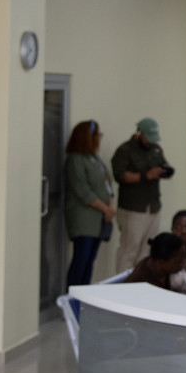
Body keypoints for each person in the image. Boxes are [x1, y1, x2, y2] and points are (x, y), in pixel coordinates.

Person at [110, 117, 173, 273]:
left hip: (153, 206)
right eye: (148, 138)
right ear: (139, 133)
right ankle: (123, 283)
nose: (151, 142)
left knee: (147, 250)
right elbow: (121, 175)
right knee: (129, 249)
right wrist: (146, 176)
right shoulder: (125, 150)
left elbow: (164, 164)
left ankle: (141, 281)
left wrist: (166, 172)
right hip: (134, 207)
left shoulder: (156, 149)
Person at [63, 119, 115, 287]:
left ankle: (85, 296)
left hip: (99, 219)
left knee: (90, 261)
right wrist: (106, 209)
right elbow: (83, 191)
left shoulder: (95, 159)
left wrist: (110, 206)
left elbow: (107, 183)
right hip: (84, 220)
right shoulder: (75, 160)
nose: (99, 139)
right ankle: (72, 296)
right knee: (81, 259)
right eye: (97, 135)